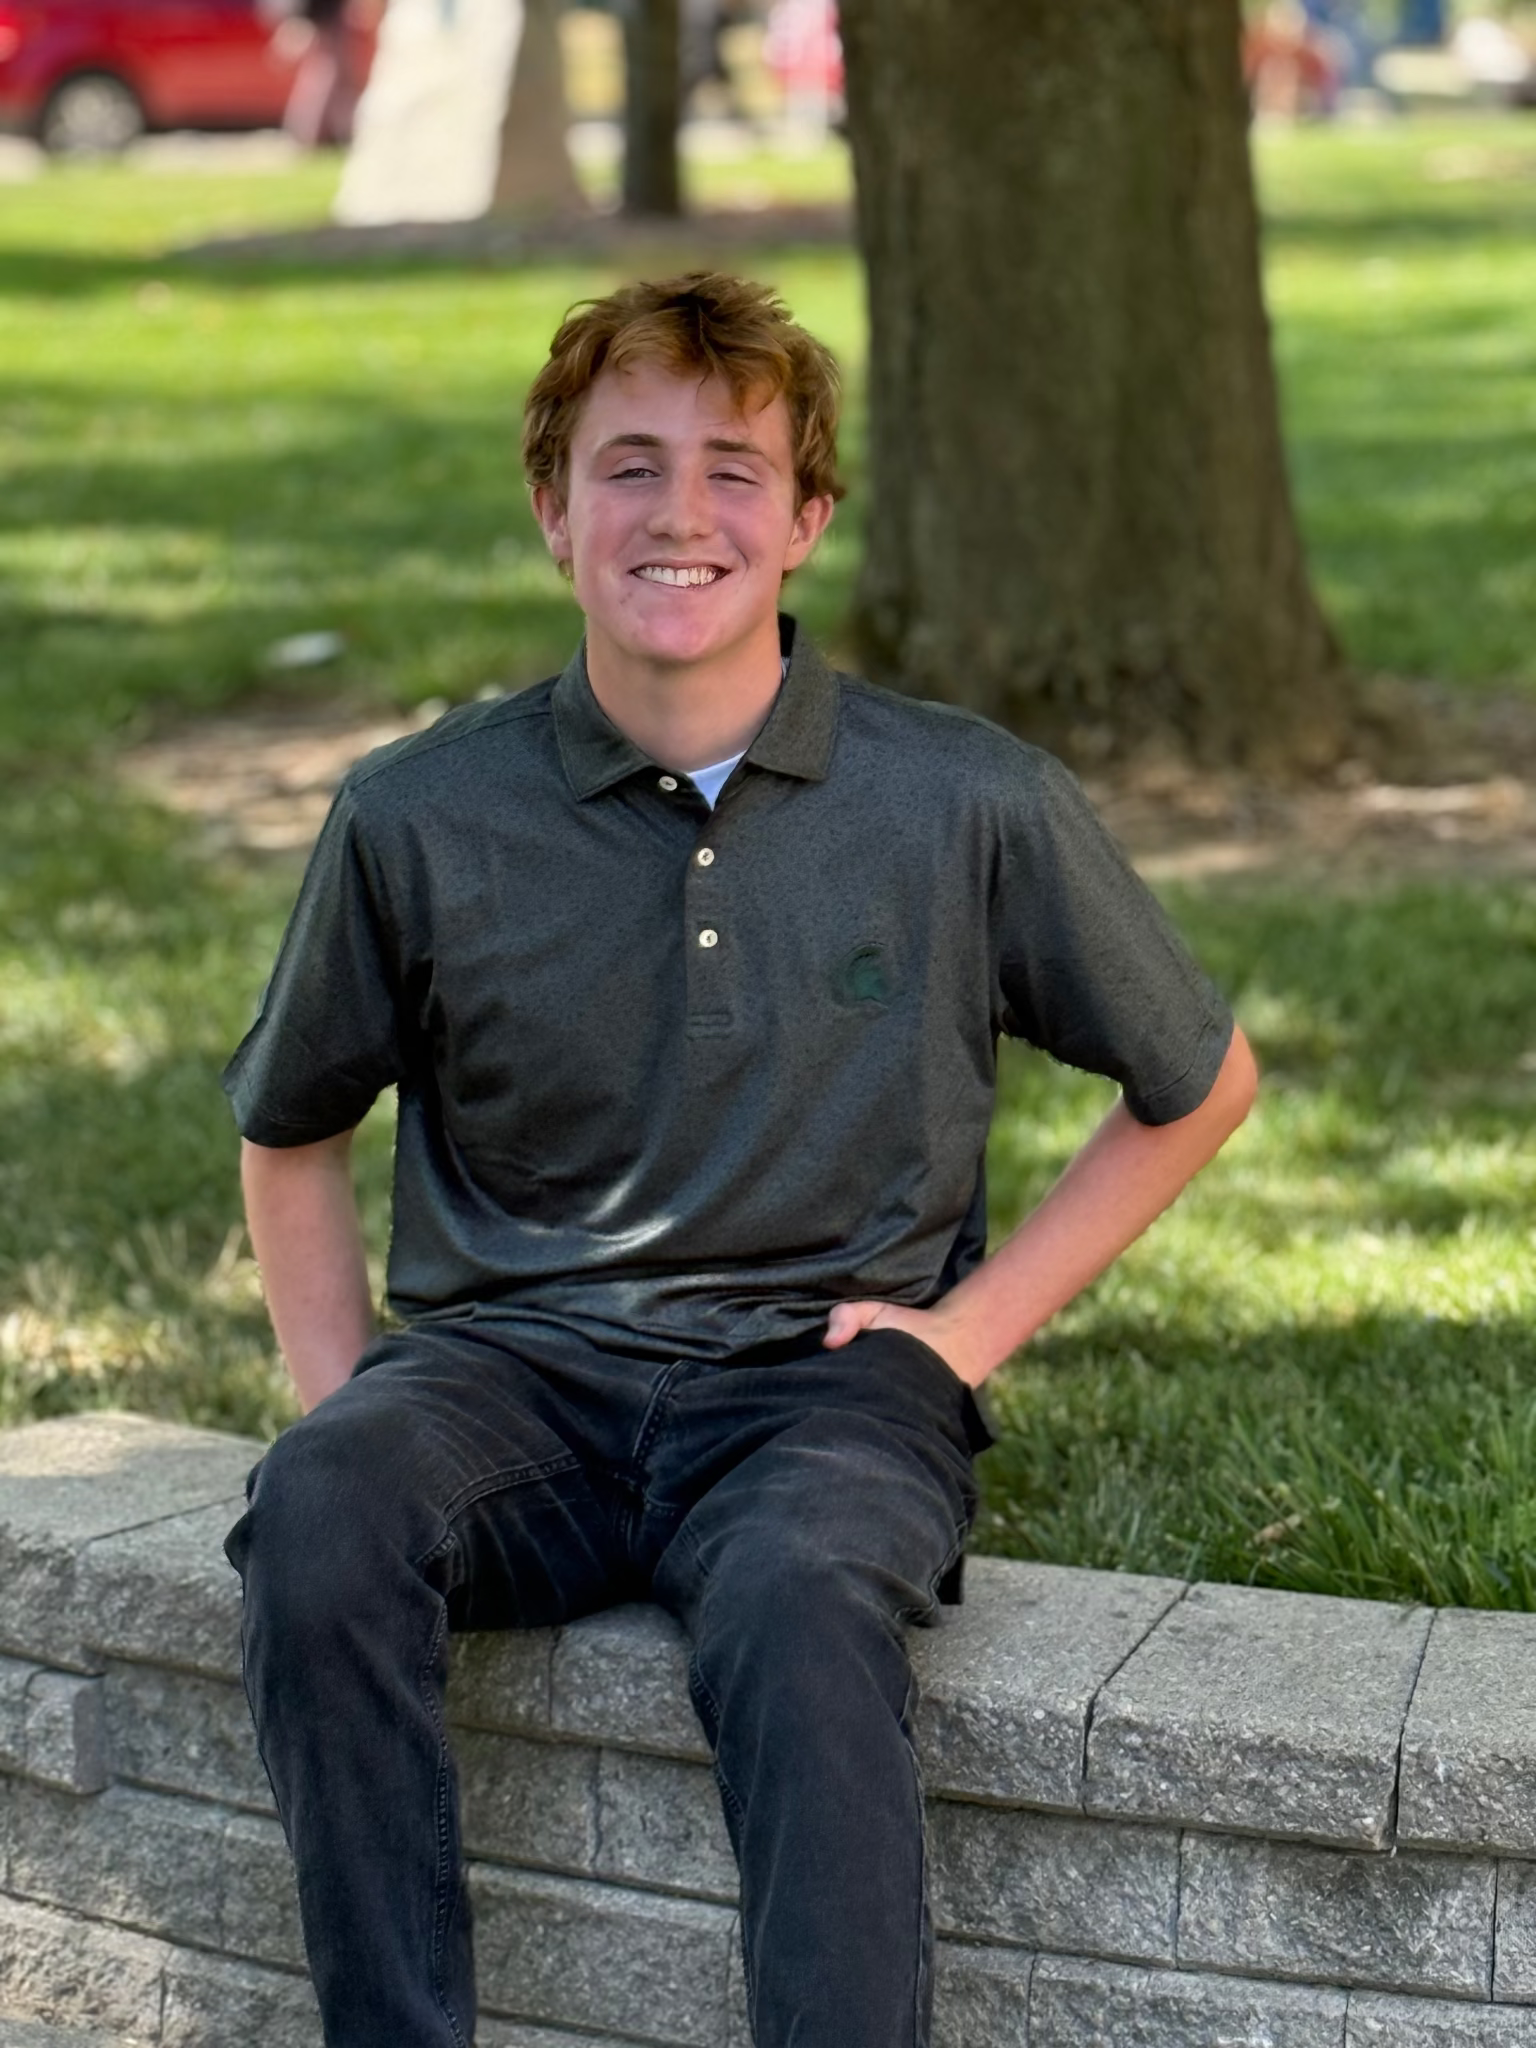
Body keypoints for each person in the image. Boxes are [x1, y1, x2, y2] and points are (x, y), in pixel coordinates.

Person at [223, 271, 1257, 2048]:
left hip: (824, 1383)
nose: (679, 512)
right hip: (512, 1376)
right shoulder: (417, 812)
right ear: (554, 514)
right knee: (318, 1512)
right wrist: (348, 1411)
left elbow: (1202, 1083)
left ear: (807, 521)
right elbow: (290, 1129)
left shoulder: (964, 800)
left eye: (733, 470)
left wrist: (962, 1337)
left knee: (794, 1601)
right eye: (628, 466)